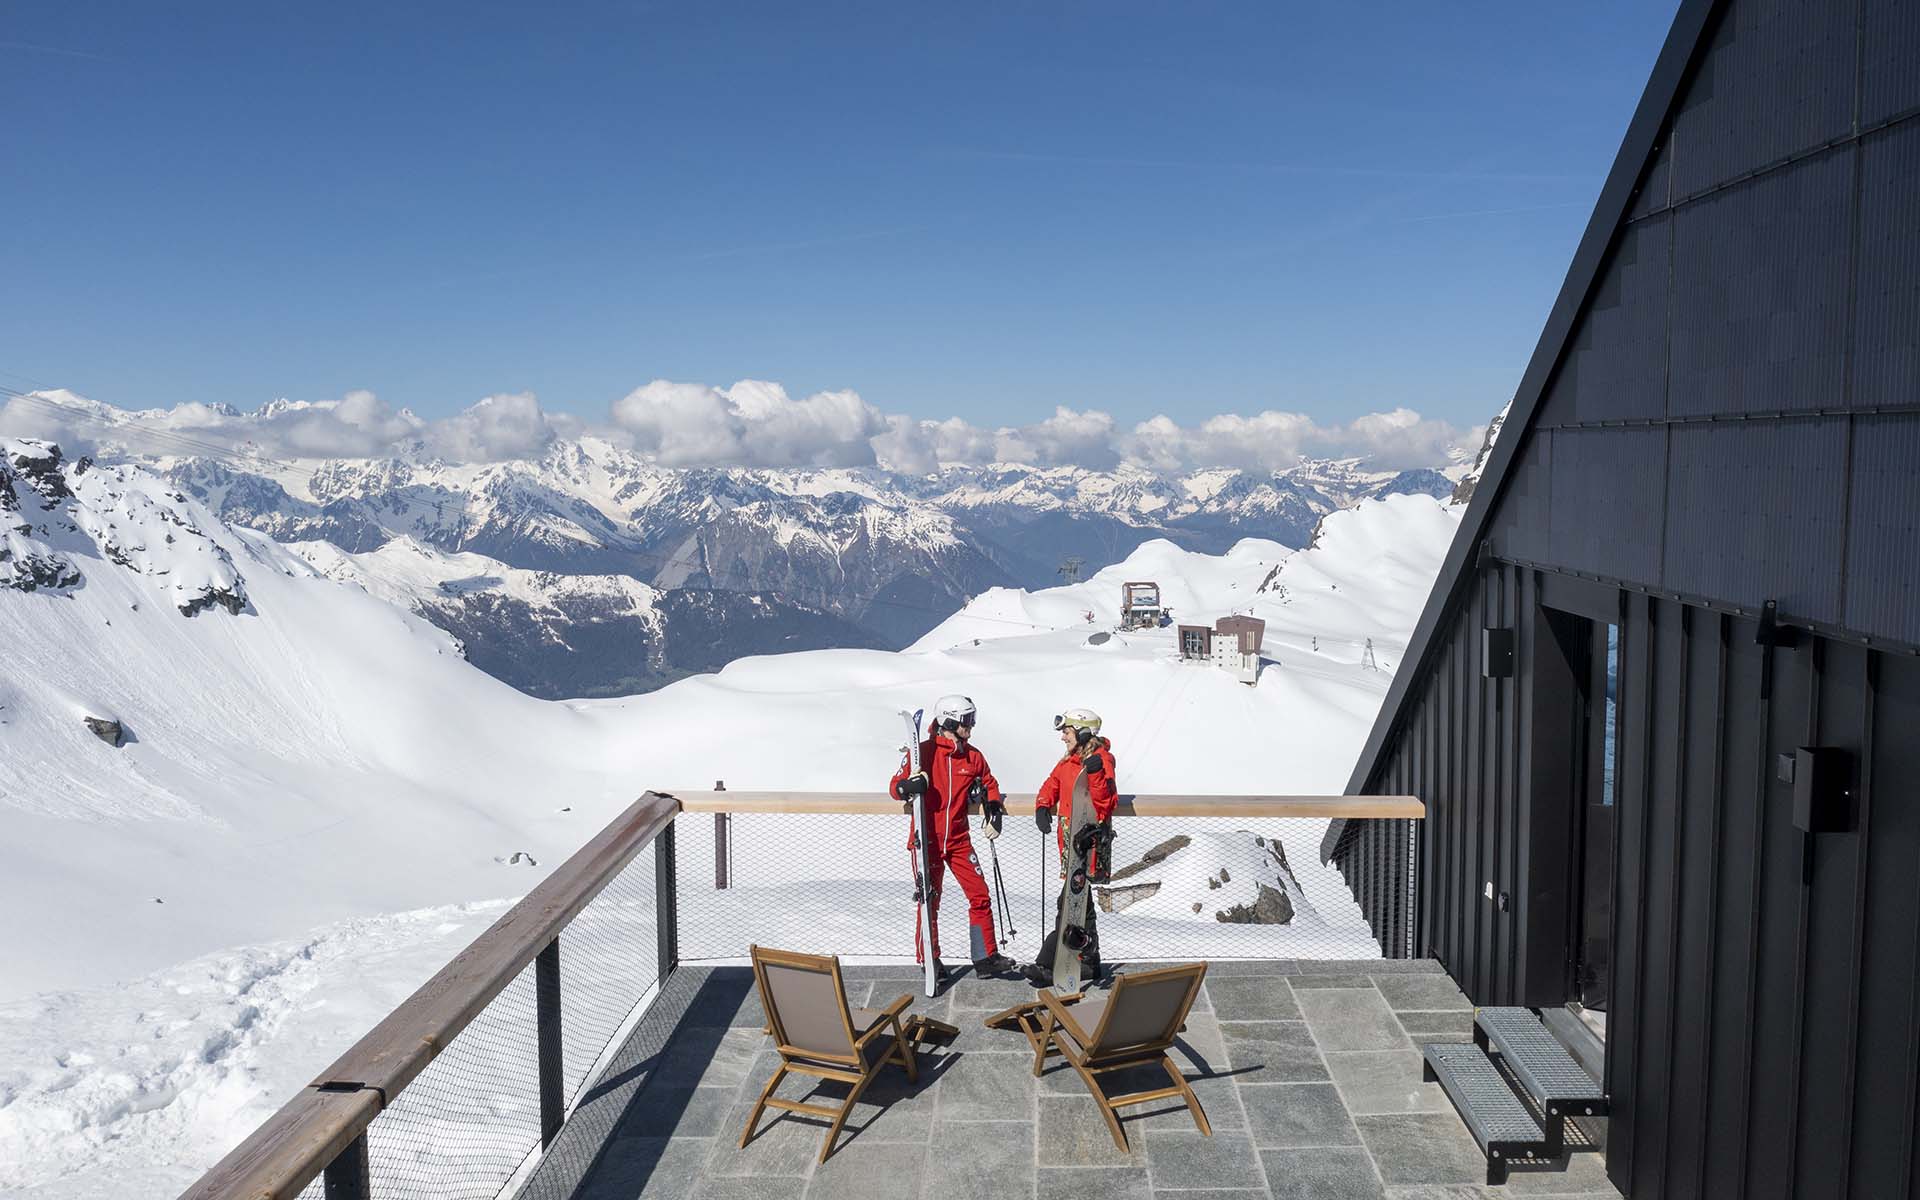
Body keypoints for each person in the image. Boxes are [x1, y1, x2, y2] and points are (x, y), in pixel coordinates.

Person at [890, 694, 1019, 982]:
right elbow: (895, 786)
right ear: (950, 721)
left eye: (973, 720)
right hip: (928, 840)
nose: (971, 728)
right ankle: (930, 959)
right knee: (929, 900)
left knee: (980, 895)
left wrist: (994, 806)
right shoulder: (923, 753)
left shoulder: (972, 756)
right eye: (967, 722)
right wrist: (908, 786)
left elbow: (989, 782)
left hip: (959, 841)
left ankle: (985, 956)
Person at [1023, 707, 1118, 987]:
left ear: (1082, 732)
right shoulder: (1070, 760)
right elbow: (1053, 783)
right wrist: (1043, 805)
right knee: (1081, 903)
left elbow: (1105, 803)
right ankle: (1089, 961)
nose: (1063, 737)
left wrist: (1098, 775)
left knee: (1068, 904)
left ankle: (1051, 963)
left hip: (1089, 844)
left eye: (1067, 731)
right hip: (1070, 843)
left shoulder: (1101, 760)